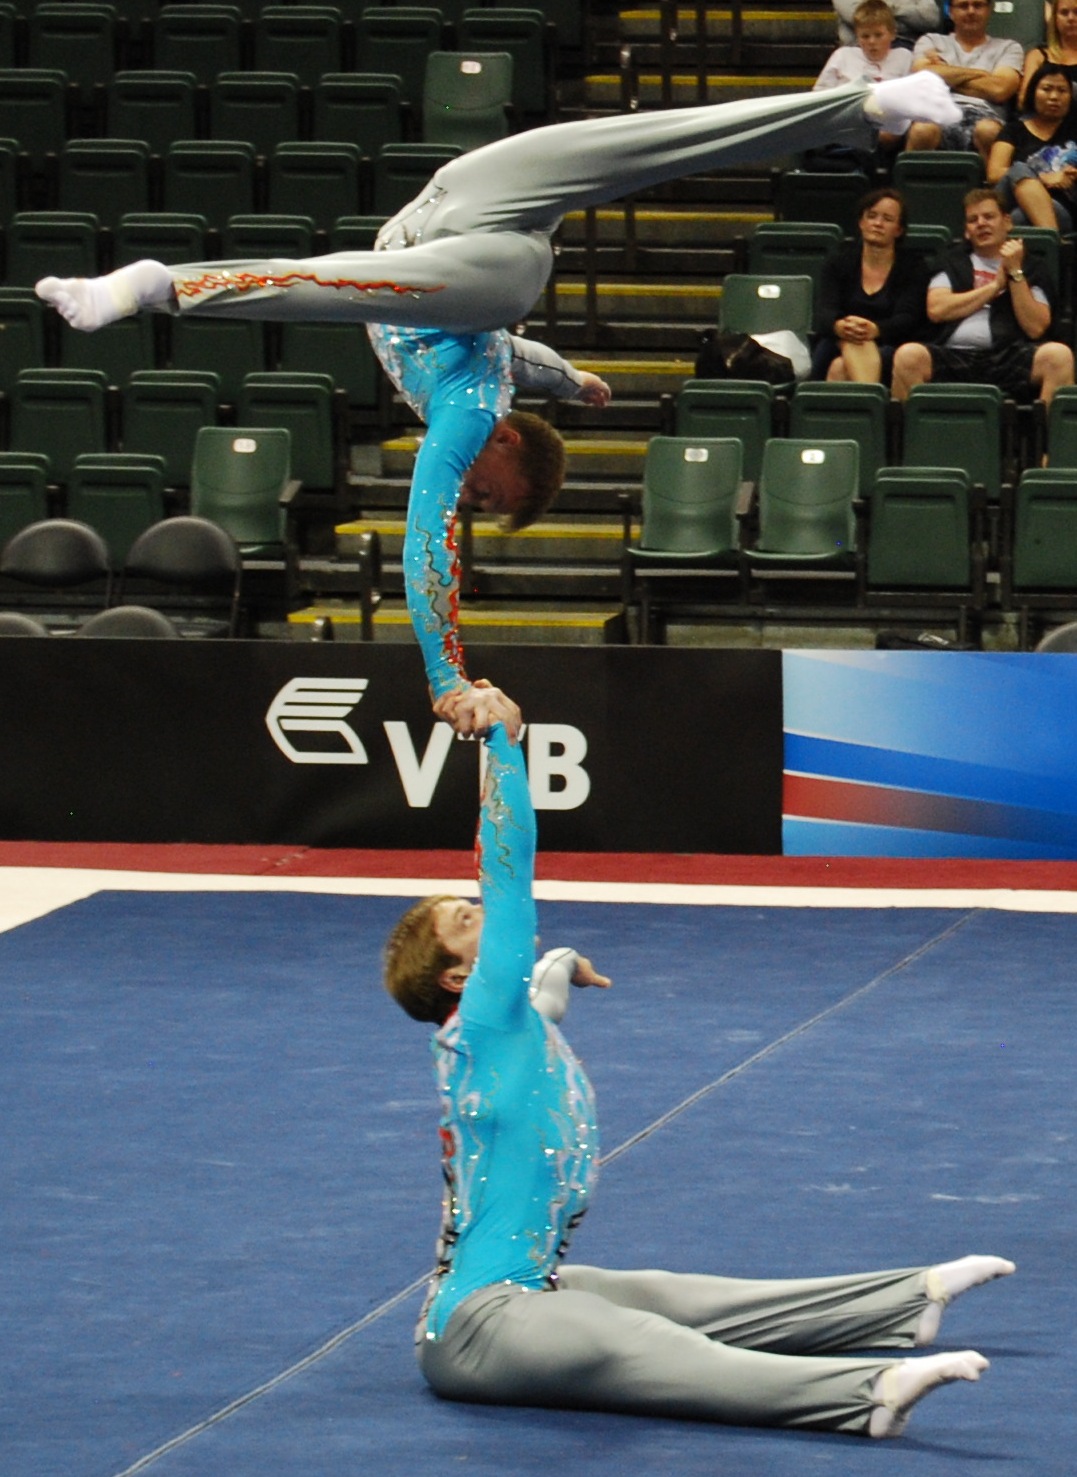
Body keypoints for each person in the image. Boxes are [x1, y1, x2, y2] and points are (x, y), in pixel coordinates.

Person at [35, 75, 961, 732]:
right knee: (641, 144)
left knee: (433, 263)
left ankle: (861, 108)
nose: (472, 497)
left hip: (458, 246)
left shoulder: (486, 380)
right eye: (493, 496)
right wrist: (446, 674)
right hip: (474, 219)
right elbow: (425, 532)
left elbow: (528, 359)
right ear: (511, 450)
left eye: (480, 503)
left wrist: (571, 381)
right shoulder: (473, 409)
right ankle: (161, 285)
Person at [382, 713, 1015, 1436]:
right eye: (463, 919)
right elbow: (508, 866)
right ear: (459, 974)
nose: (480, 912)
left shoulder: (501, 1025)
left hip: (520, 1286)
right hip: (474, 1327)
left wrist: (564, 963)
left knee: (674, 1298)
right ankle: (865, 1393)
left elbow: (544, 991)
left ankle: (906, 1300)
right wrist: (501, 742)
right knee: (642, 1344)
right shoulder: (486, 1021)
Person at [891, 185, 1075, 403]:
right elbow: (937, 310)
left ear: (1007, 222)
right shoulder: (951, 262)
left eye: (989, 217)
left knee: (1059, 357)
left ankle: (1047, 436)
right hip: (954, 353)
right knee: (908, 355)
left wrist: (1015, 273)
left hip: (1009, 355)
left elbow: (1035, 328)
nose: (981, 224)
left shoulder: (1032, 267)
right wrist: (994, 287)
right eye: (973, 220)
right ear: (967, 231)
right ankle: (911, 436)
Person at [812, 186, 930, 382]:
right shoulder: (838, 263)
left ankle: (861, 399)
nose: (878, 223)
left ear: (899, 230)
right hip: (838, 340)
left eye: (887, 219)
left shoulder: (913, 267)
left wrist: (874, 330)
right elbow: (824, 313)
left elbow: (908, 319)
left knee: (839, 369)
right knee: (838, 352)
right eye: (872, 216)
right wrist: (841, 327)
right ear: (861, 222)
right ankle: (870, 401)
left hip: (890, 344)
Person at [908, 0, 1025, 159]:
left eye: (978, 5)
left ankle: (989, 183)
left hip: (986, 115)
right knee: (922, 130)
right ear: (951, 12)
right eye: (963, 6)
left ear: (989, 9)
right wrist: (983, 74)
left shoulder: (1009, 48)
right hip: (937, 111)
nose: (971, 11)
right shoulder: (931, 41)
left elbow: (1000, 90)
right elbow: (921, 77)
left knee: (988, 131)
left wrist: (945, 74)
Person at [810, 1, 913, 170]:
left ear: (893, 34)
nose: (872, 42)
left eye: (878, 35)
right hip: (847, 123)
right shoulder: (843, 56)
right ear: (857, 36)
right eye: (865, 36)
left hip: (887, 127)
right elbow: (819, 95)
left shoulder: (904, 57)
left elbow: (911, 99)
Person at [989, 61, 1077, 231]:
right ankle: (1054, 245)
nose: (1054, 97)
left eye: (1062, 91)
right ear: (1033, 93)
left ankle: (1050, 240)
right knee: (1018, 169)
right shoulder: (1014, 130)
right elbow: (994, 174)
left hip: (1063, 207)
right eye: (1047, 89)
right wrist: (1042, 177)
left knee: (1018, 218)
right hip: (1012, 199)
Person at [1018, 0, 1077, 106]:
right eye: (1064, 13)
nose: (1071, 18)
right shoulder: (1037, 56)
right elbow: (1024, 99)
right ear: (1055, 19)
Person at [832, 0, 940, 50]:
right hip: (860, 49)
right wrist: (908, 16)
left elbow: (931, 19)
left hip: (909, 47)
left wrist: (884, 8)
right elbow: (856, 17)